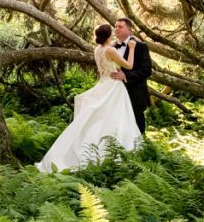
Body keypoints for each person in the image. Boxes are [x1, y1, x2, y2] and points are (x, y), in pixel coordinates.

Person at [37, 24, 142, 172]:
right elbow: (129, 66)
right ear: (109, 35)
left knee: (100, 119)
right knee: (116, 119)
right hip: (113, 86)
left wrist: (115, 43)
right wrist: (131, 48)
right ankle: (112, 153)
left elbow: (108, 50)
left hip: (103, 83)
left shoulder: (98, 49)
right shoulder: (110, 50)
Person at [109, 18, 152, 134]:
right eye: (115, 26)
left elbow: (147, 70)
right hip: (115, 93)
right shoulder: (111, 48)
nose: (116, 28)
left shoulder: (140, 46)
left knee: (137, 125)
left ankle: (141, 150)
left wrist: (126, 76)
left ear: (129, 30)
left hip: (135, 93)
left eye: (120, 26)